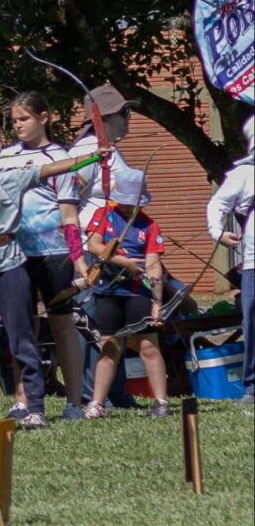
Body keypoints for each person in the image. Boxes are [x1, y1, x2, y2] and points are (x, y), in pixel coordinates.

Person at [0, 118, 100, 431]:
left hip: (9, 263)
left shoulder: (13, 176)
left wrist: (95, 157)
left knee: (22, 339)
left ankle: (35, 408)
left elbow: (55, 167)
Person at [0, 92, 89, 420]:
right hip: (15, 253)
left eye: (24, 119)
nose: (18, 125)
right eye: (14, 120)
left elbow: (69, 215)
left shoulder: (60, 158)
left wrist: (78, 258)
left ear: (44, 117)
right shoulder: (5, 157)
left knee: (63, 325)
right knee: (22, 328)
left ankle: (75, 401)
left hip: (54, 255)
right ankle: (23, 399)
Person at [81, 166, 171, 418]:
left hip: (137, 293)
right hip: (108, 291)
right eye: (126, 202)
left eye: (135, 203)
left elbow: (153, 265)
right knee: (109, 348)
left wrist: (157, 302)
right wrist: (124, 263)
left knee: (148, 346)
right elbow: (94, 245)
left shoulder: (150, 226)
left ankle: (161, 402)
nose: (130, 208)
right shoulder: (104, 215)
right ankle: (97, 403)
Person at [205, 113, 255, 404]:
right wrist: (217, 233)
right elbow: (218, 204)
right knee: (253, 322)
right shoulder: (244, 174)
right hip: (253, 261)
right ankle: (253, 386)